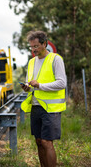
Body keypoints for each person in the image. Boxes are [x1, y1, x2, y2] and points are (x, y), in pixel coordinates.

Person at [20, 30, 66, 167]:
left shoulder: (56, 59)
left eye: (36, 46)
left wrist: (40, 85)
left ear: (44, 44)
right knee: (39, 141)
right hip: (35, 106)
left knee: (47, 142)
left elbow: (62, 83)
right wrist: (27, 87)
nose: (33, 49)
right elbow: (31, 82)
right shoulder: (31, 62)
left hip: (51, 108)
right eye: (31, 47)